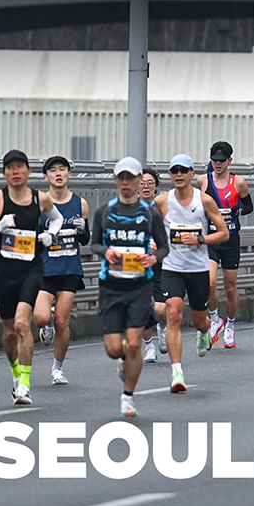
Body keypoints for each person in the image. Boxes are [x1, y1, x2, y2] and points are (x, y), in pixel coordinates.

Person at [0, 150, 63, 405]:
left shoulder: (40, 198)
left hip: (31, 269)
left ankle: (24, 384)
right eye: (10, 167)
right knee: (10, 331)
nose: (16, 171)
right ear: (4, 173)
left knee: (23, 324)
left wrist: (51, 235)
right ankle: (15, 373)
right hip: (5, 270)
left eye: (20, 166)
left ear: (28, 171)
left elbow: (57, 219)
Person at [91, 157, 169, 417]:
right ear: (116, 181)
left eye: (130, 178)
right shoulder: (104, 212)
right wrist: (106, 251)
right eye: (121, 178)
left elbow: (164, 247)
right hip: (111, 286)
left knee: (135, 344)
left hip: (140, 287)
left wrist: (154, 258)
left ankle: (128, 396)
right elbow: (94, 244)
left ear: (138, 181)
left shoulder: (150, 214)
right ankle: (123, 359)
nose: (125, 183)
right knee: (115, 349)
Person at [155, 154, 229, 392]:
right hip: (172, 268)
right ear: (170, 175)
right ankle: (177, 372)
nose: (178, 175)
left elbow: (224, 233)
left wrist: (200, 239)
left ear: (191, 174)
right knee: (173, 314)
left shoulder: (204, 200)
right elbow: (149, 228)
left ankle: (205, 330)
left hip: (197, 269)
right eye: (174, 171)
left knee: (198, 320)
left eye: (183, 170)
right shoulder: (162, 201)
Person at [33, 156, 90, 385]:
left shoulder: (80, 203)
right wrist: (44, 237)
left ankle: (57, 368)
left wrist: (83, 229)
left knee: (62, 321)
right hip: (45, 268)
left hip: (69, 268)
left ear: (69, 174)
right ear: (45, 176)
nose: (58, 174)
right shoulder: (39, 204)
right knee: (40, 317)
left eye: (62, 169)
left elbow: (85, 240)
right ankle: (46, 326)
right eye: (53, 170)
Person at [199, 141, 253, 348]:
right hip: (211, 238)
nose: (218, 164)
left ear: (229, 160)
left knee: (230, 287)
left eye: (222, 160)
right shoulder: (203, 181)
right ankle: (215, 319)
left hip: (230, 238)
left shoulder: (238, 183)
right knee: (210, 282)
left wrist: (235, 211)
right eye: (214, 160)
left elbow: (249, 206)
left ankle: (230, 324)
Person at [140, 169, 167, 359]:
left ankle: (162, 327)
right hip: (137, 264)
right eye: (142, 183)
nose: (146, 186)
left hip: (160, 263)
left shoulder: (163, 207)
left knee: (160, 308)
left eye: (150, 183)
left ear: (156, 186)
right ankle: (149, 346)